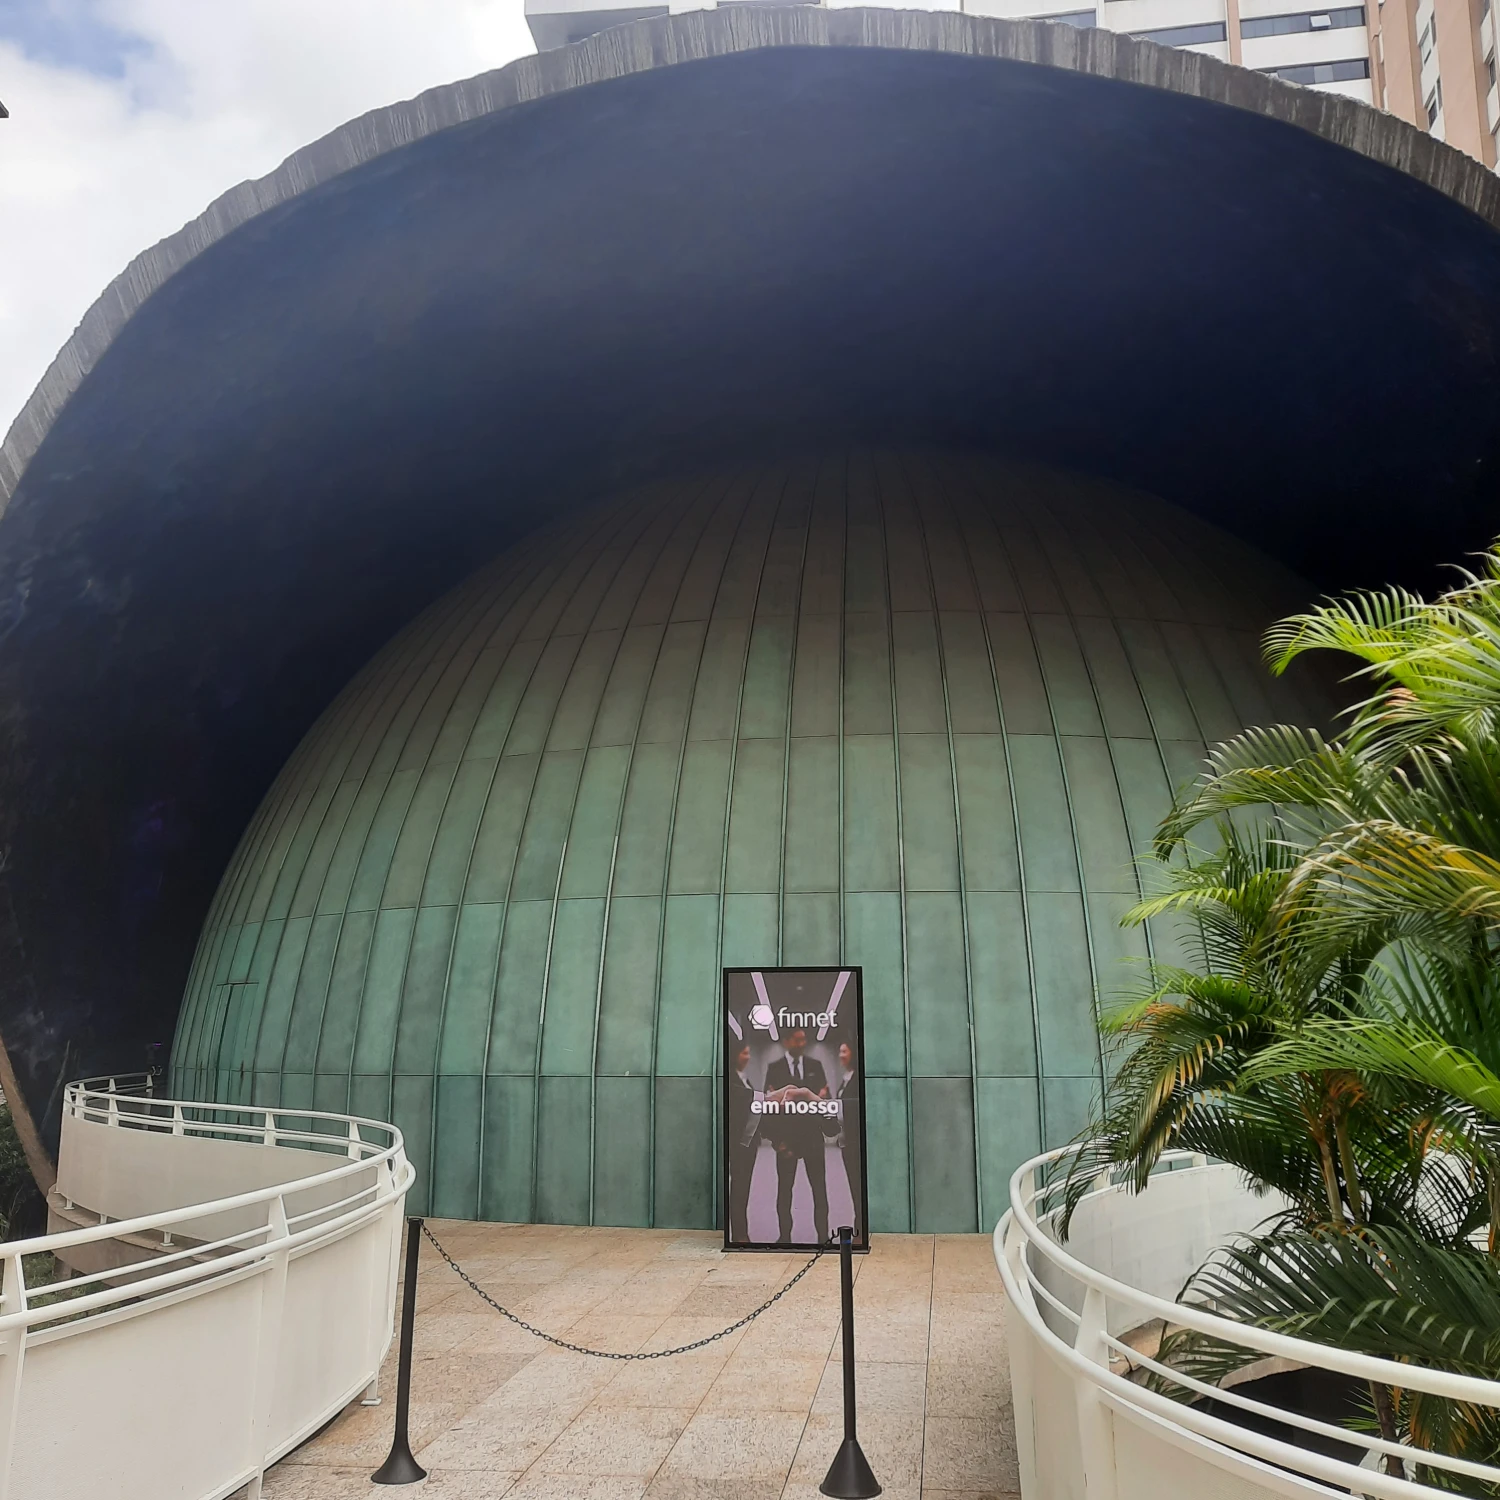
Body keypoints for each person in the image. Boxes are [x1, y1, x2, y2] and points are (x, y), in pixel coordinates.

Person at [761, 1027, 831, 1246]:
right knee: (784, 1192)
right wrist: (777, 1142)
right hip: (786, 1141)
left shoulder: (815, 1066)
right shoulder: (774, 1068)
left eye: (804, 1039)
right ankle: (784, 1237)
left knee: (819, 1190)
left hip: (813, 1139)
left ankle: (823, 1238)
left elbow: (824, 1100)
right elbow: (768, 1107)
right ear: (786, 1041)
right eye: (797, 1040)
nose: (802, 1043)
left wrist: (819, 1098)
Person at [726, 1040, 759, 1243]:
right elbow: (743, 1101)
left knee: (743, 1188)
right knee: (738, 1188)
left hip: (749, 1144)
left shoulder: (744, 1078)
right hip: (738, 1144)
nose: (748, 1057)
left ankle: (742, 1232)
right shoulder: (732, 1079)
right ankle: (739, 1234)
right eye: (744, 1053)